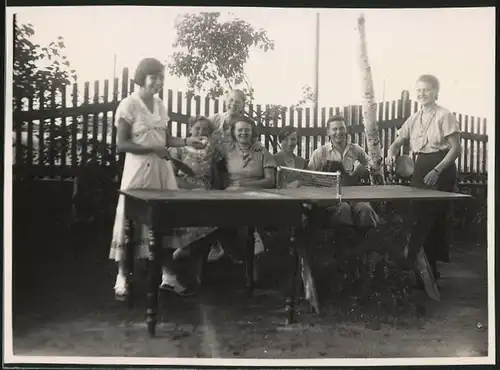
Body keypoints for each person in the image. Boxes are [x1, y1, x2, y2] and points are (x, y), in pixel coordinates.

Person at [109, 58, 207, 300]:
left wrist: (186, 142)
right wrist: (153, 150)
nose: (158, 82)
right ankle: (122, 278)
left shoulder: (161, 106)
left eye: (162, 77)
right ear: (142, 77)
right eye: (154, 77)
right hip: (137, 172)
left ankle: (169, 278)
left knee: (163, 222)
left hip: (160, 172)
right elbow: (121, 144)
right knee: (130, 223)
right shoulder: (128, 105)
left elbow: (165, 139)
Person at [386, 74, 462, 281]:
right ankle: (420, 269)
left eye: (427, 90)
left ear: (436, 92)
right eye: (419, 90)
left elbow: (455, 150)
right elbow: (397, 142)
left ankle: (429, 271)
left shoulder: (444, 115)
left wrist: (437, 171)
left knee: (433, 220)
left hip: (441, 169)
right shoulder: (414, 118)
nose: (422, 94)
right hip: (420, 168)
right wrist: (391, 153)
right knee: (417, 217)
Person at [219, 116, 277, 263]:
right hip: (231, 195)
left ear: (252, 132)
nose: (243, 133)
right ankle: (229, 251)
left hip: (257, 194)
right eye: (240, 130)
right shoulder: (227, 150)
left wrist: (244, 187)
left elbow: (270, 180)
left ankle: (254, 246)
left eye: (247, 130)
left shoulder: (262, 152)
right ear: (234, 132)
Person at [307, 115, 379, 234]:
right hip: (331, 200)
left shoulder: (356, 150)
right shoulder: (320, 153)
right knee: (343, 209)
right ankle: (344, 246)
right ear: (328, 132)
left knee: (365, 209)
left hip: (355, 197)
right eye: (334, 129)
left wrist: (366, 169)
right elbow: (309, 178)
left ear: (346, 130)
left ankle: (365, 245)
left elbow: (371, 166)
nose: (338, 132)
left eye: (341, 128)